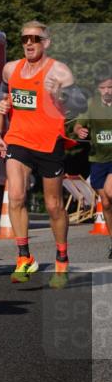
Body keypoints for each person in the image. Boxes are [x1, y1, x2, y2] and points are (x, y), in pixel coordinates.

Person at [0, 20, 79, 288]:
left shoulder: (60, 72)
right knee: (16, 195)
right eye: (25, 39)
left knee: (54, 206)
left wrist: (62, 96)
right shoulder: (11, 69)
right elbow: (0, 100)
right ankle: (23, 257)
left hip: (49, 143)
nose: (29, 43)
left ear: (46, 42)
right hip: (18, 139)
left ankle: (61, 259)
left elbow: (79, 105)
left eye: (35, 39)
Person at [74, 76, 112, 258]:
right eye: (103, 87)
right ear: (98, 89)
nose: (107, 91)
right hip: (98, 159)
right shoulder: (92, 105)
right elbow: (78, 124)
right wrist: (79, 130)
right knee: (105, 202)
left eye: (110, 87)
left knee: (110, 192)